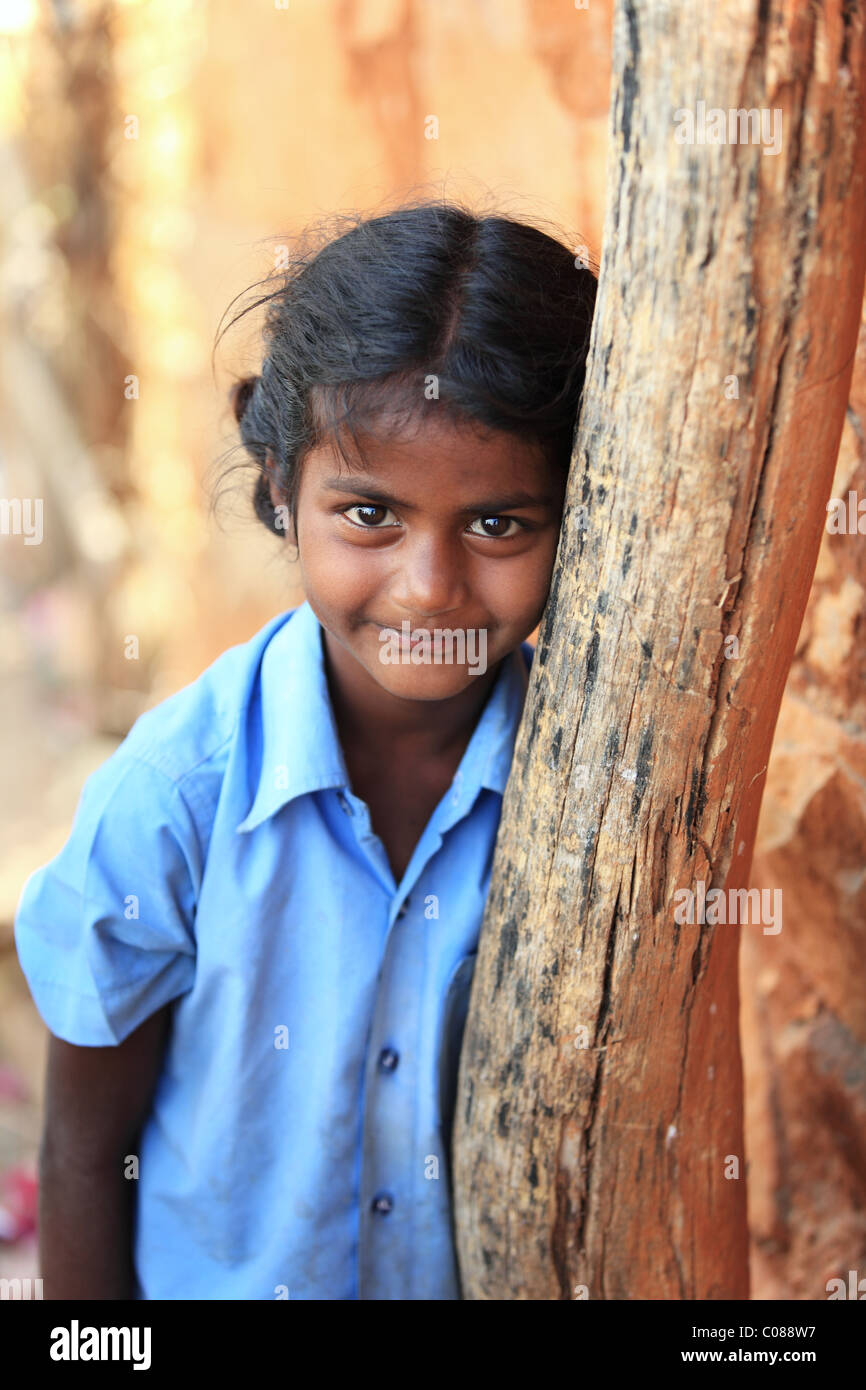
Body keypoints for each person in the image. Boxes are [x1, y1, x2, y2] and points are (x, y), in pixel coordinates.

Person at [14, 199, 597, 1300]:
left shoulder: (587, 799)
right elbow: (88, 1157)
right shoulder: (173, 802)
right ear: (279, 483)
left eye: (497, 524)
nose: (429, 588)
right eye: (369, 513)